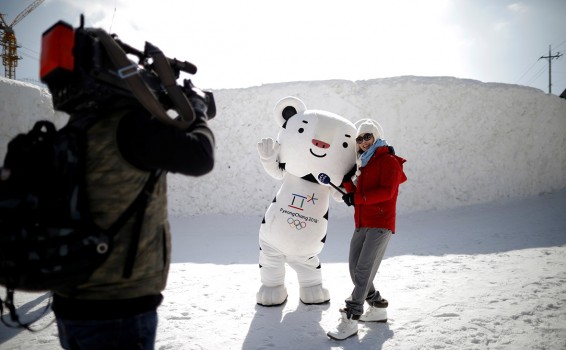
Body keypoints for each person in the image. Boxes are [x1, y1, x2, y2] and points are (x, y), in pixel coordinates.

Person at [50, 95, 215, 347]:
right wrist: (197, 111)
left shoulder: (79, 124)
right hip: (118, 310)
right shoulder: (131, 127)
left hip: (70, 301)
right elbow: (199, 155)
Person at [327, 119, 406, 340]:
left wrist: (358, 197)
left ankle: (352, 317)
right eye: (359, 139)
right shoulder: (365, 163)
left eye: (367, 137)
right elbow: (359, 194)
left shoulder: (389, 160)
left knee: (363, 270)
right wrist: (348, 184)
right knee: (355, 269)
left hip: (381, 224)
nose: (363, 142)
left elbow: (387, 193)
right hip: (362, 223)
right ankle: (378, 306)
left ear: (377, 136)